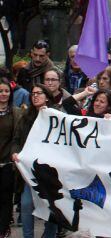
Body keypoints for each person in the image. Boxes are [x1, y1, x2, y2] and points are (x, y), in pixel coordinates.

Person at [11, 84, 58, 238]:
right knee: (26, 204)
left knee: (52, 206)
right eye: (33, 94)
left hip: (51, 172)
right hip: (29, 170)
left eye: (39, 93)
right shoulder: (26, 117)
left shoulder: (56, 116)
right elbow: (16, 140)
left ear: (47, 97)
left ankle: (49, 235)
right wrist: (15, 153)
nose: (35, 96)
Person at [0, 79, 21, 238]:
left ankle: (3, 228)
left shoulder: (15, 112)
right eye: (0, 91)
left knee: (6, 198)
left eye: (6, 91)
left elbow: (16, 138)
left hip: (6, 163)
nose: (3, 94)